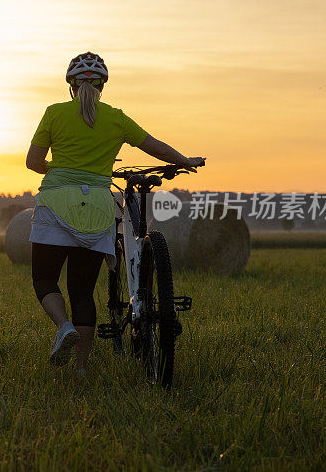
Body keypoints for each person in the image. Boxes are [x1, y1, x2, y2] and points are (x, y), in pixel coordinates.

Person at [25, 52, 204, 376]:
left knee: (44, 278)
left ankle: (63, 326)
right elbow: (155, 146)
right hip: (97, 206)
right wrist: (184, 160)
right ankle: (80, 368)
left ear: (71, 86)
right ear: (102, 86)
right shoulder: (116, 118)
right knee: (82, 291)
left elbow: (33, 161)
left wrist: (60, 169)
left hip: (55, 203)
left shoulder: (54, 113)